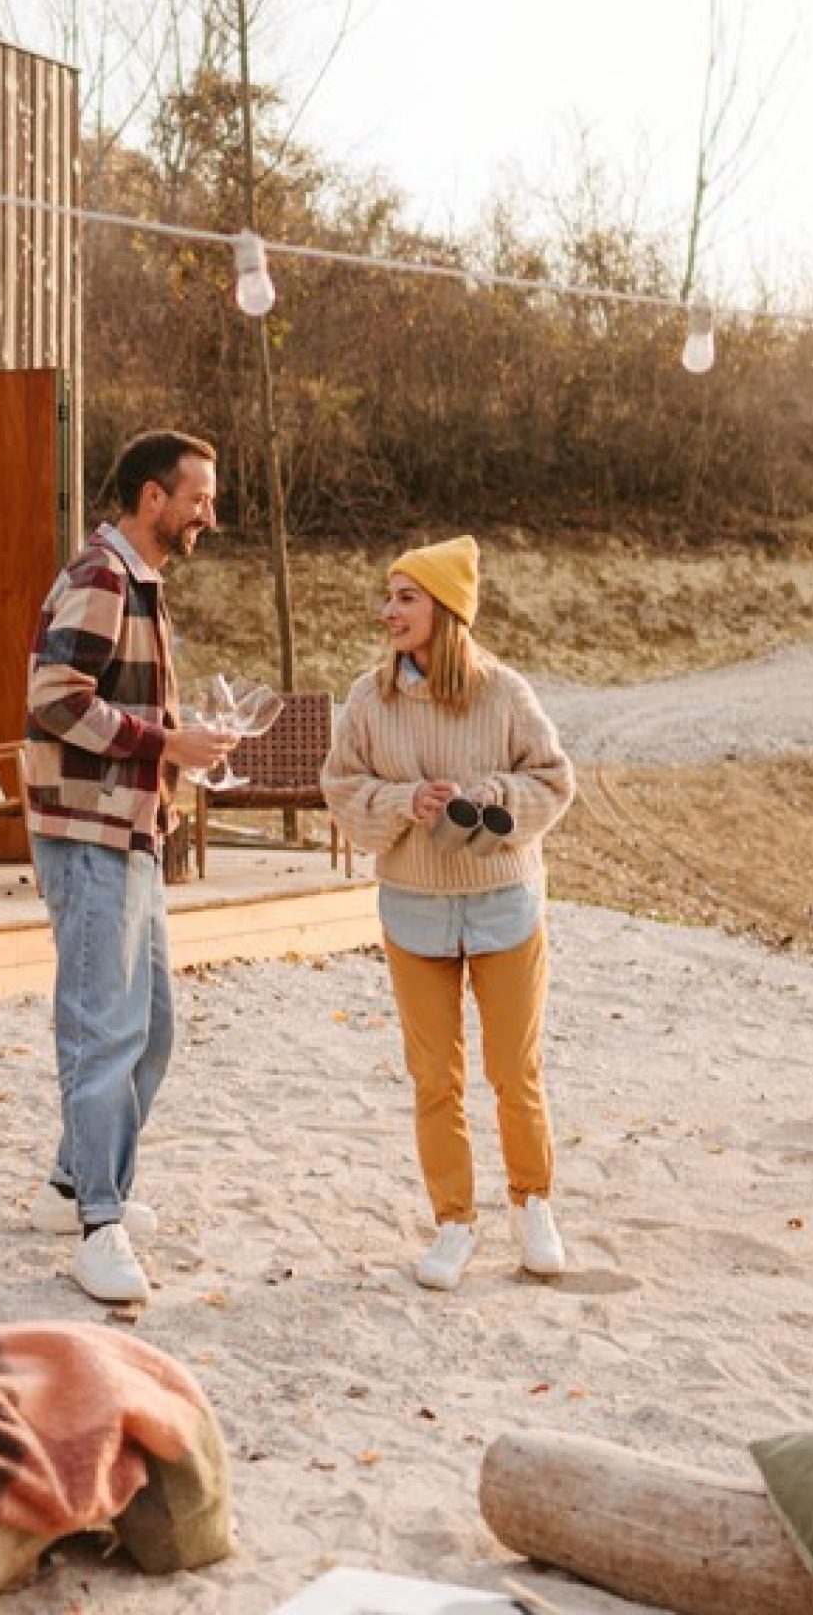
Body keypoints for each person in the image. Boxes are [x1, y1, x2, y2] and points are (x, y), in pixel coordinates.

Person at [320, 536, 580, 1291]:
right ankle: (455, 1223)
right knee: (435, 1077)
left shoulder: (505, 692)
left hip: (504, 903)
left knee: (513, 1070)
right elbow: (341, 790)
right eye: (388, 595)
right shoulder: (369, 699)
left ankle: (534, 1207)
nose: (388, 611)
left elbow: (556, 780)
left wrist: (496, 793)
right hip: (415, 910)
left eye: (406, 597)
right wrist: (405, 801)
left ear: (446, 610)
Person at [23, 429, 240, 1306]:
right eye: (199, 498)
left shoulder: (136, 582)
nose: (208, 515)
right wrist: (167, 741)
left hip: (132, 832)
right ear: (153, 498)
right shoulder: (100, 577)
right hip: (90, 836)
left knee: (150, 1031)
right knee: (103, 1032)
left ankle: (71, 1185)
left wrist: (185, 753)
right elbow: (53, 700)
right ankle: (98, 1227)